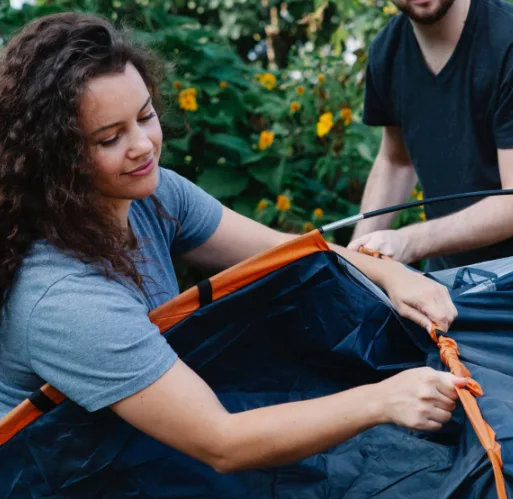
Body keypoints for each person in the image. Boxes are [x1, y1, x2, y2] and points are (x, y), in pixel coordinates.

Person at [0, 13, 465, 474]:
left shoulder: (152, 196)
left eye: (145, 116)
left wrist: (390, 273)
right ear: (55, 157)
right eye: (110, 138)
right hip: (66, 486)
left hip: (136, 448)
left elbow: (287, 254)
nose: (142, 145)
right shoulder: (66, 301)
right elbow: (222, 442)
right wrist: (383, 400)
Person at [348, 0, 513, 272]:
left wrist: (409, 241)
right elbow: (396, 161)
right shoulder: (387, 51)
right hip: (446, 279)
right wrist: (353, 261)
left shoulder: (506, 40)